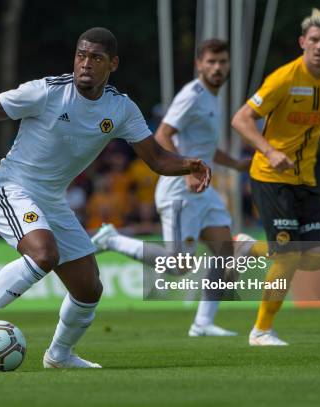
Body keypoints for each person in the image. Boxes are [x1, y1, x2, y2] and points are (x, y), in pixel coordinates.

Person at [0, 27, 211, 370]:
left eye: (95, 58)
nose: (85, 64)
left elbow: (156, 159)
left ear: (112, 64)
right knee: (44, 254)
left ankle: (59, 355)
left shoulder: (121, 108)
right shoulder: (46, 92)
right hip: (11, 187)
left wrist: (189, 165)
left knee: (89, 289)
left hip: (51, 200)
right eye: (81, 55)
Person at [91, 39, 250, 337]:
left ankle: (203, 323)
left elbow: (205, 149)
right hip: (180, 190)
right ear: (199, 65)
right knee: (179, 266)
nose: (217, 68)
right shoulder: (192, 95)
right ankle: (112, 239)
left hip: (202, 190)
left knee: (224, 251)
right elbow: (163, 133)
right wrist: (186, 169)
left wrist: (237, 165)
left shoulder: (212, 97)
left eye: (222, 62)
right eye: (211, 62)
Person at [231, 8, 320, 345]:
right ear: (302, 42)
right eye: (313, 39)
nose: (319, 45)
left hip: (306, 180)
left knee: (316, 257)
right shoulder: (283, 78)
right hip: (270, 175)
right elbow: (240, 119)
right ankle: (261, 330)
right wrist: (269, 151)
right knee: (287, 255)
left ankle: (247, 248)